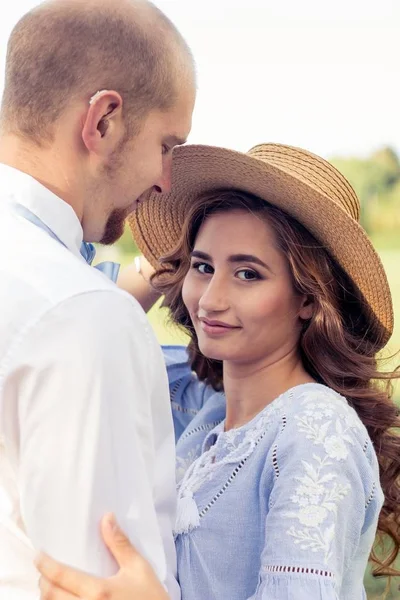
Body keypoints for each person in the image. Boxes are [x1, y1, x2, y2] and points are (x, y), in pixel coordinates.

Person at [36, 143, 400, 599]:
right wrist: (171, 257)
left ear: (308, 298)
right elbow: (82, 336)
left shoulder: (314, 430)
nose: (210, 300)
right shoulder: (204, 410)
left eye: (248, 274)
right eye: (204, 267)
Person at [0, 0, 195, 597]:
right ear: (104, 120)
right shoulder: (84, 318)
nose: (165, 180)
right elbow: (95, 577)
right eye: (167, 144)